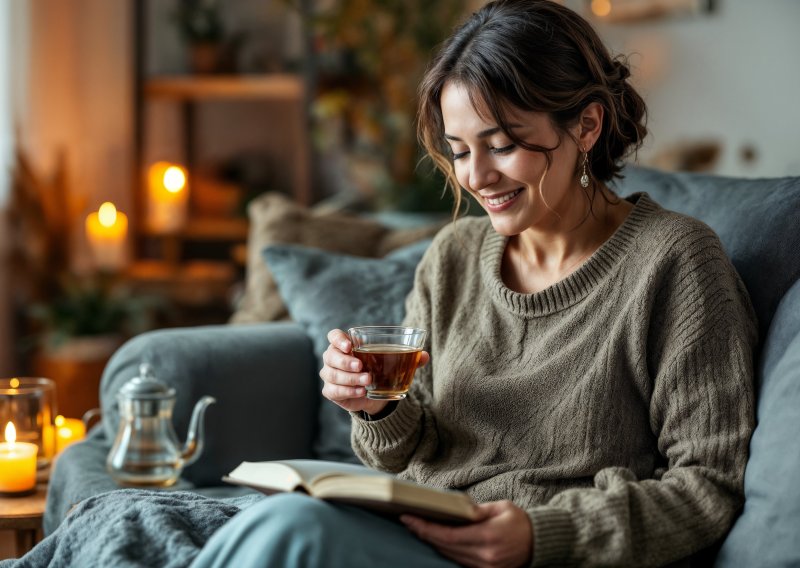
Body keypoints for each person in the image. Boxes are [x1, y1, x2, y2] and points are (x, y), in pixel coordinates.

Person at [193, 0, 757, 566]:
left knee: (296, 532)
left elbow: (708, 486)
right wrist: (376, 407)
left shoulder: (676, 262)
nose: (476, 177)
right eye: (460, 151)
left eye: (503, 145)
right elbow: (406, 452)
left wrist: (542, 535)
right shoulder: (453, 257)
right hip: (417, 530)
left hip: (540, 554)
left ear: (586, 124)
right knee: (268, 519)